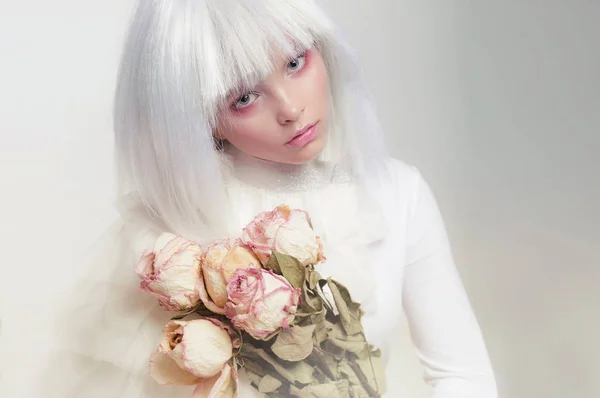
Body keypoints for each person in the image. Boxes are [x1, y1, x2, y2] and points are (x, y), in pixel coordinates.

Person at [39, 0, 497, 396]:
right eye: (244, 97)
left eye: (296, 62)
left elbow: (465, 376)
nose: (291, 109)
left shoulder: (396, 195)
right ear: (197, 118)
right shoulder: (169, 240)